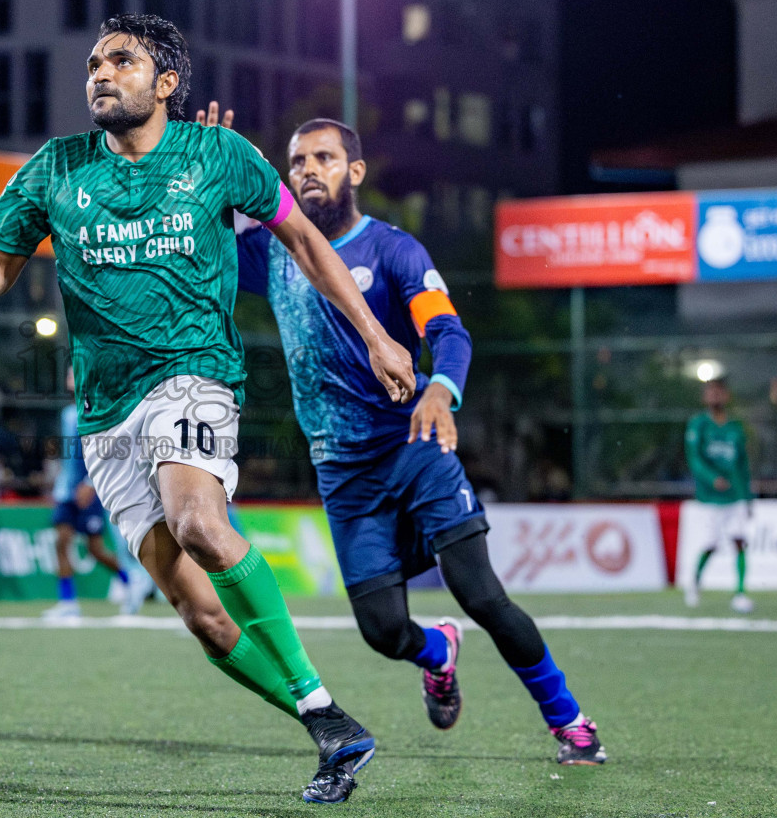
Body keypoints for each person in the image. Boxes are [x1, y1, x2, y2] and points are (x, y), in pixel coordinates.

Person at [0, 13, 418, 803]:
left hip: (194, 373)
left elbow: (308, 244)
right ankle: (330, 724)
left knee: (200, 524)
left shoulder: (219, 155)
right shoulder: (53, 169)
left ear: (167, 84)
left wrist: (379, 335)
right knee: (204, 619)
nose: (101, 73)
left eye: (122, 60)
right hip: (106, 415)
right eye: (94, 62)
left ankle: (318, 701)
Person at [216, 107, 607, 766]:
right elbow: (203, 238)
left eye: (325, 159)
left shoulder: (395, 250)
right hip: (343, 474)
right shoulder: (274, 253)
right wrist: (207, 161)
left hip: (416, 452)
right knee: (383, 631)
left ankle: (568, 719)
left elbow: (448, 332)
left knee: (483, 595)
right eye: (299, 162)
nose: (310, 171)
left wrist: (439, 388)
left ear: (355, 171)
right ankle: (438, 652)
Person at [42, 367, 152, 619]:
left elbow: (101, 451)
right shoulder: (67, 413)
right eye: (68, 374)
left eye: (73, 374)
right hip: (65, 491)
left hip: (89, 489)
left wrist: (89, 483)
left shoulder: (96, 412)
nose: (69, 378)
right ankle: (68, 603)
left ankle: (131, 580)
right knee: (61, 542)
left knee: (96, 550)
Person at [684, 376, 753, 613]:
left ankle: (740, 593)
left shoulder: (735, 427)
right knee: (710, 545)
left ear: (727, 396)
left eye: (719, 392)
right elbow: (693, 459)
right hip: (708, 499)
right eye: (710, 392)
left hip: (734, 497)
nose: (715, 396)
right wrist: (712, 478)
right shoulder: (698, 424)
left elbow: (743, 465)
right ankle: (694, 581)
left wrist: (748, 496)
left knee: (740, 542)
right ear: (704, 397)